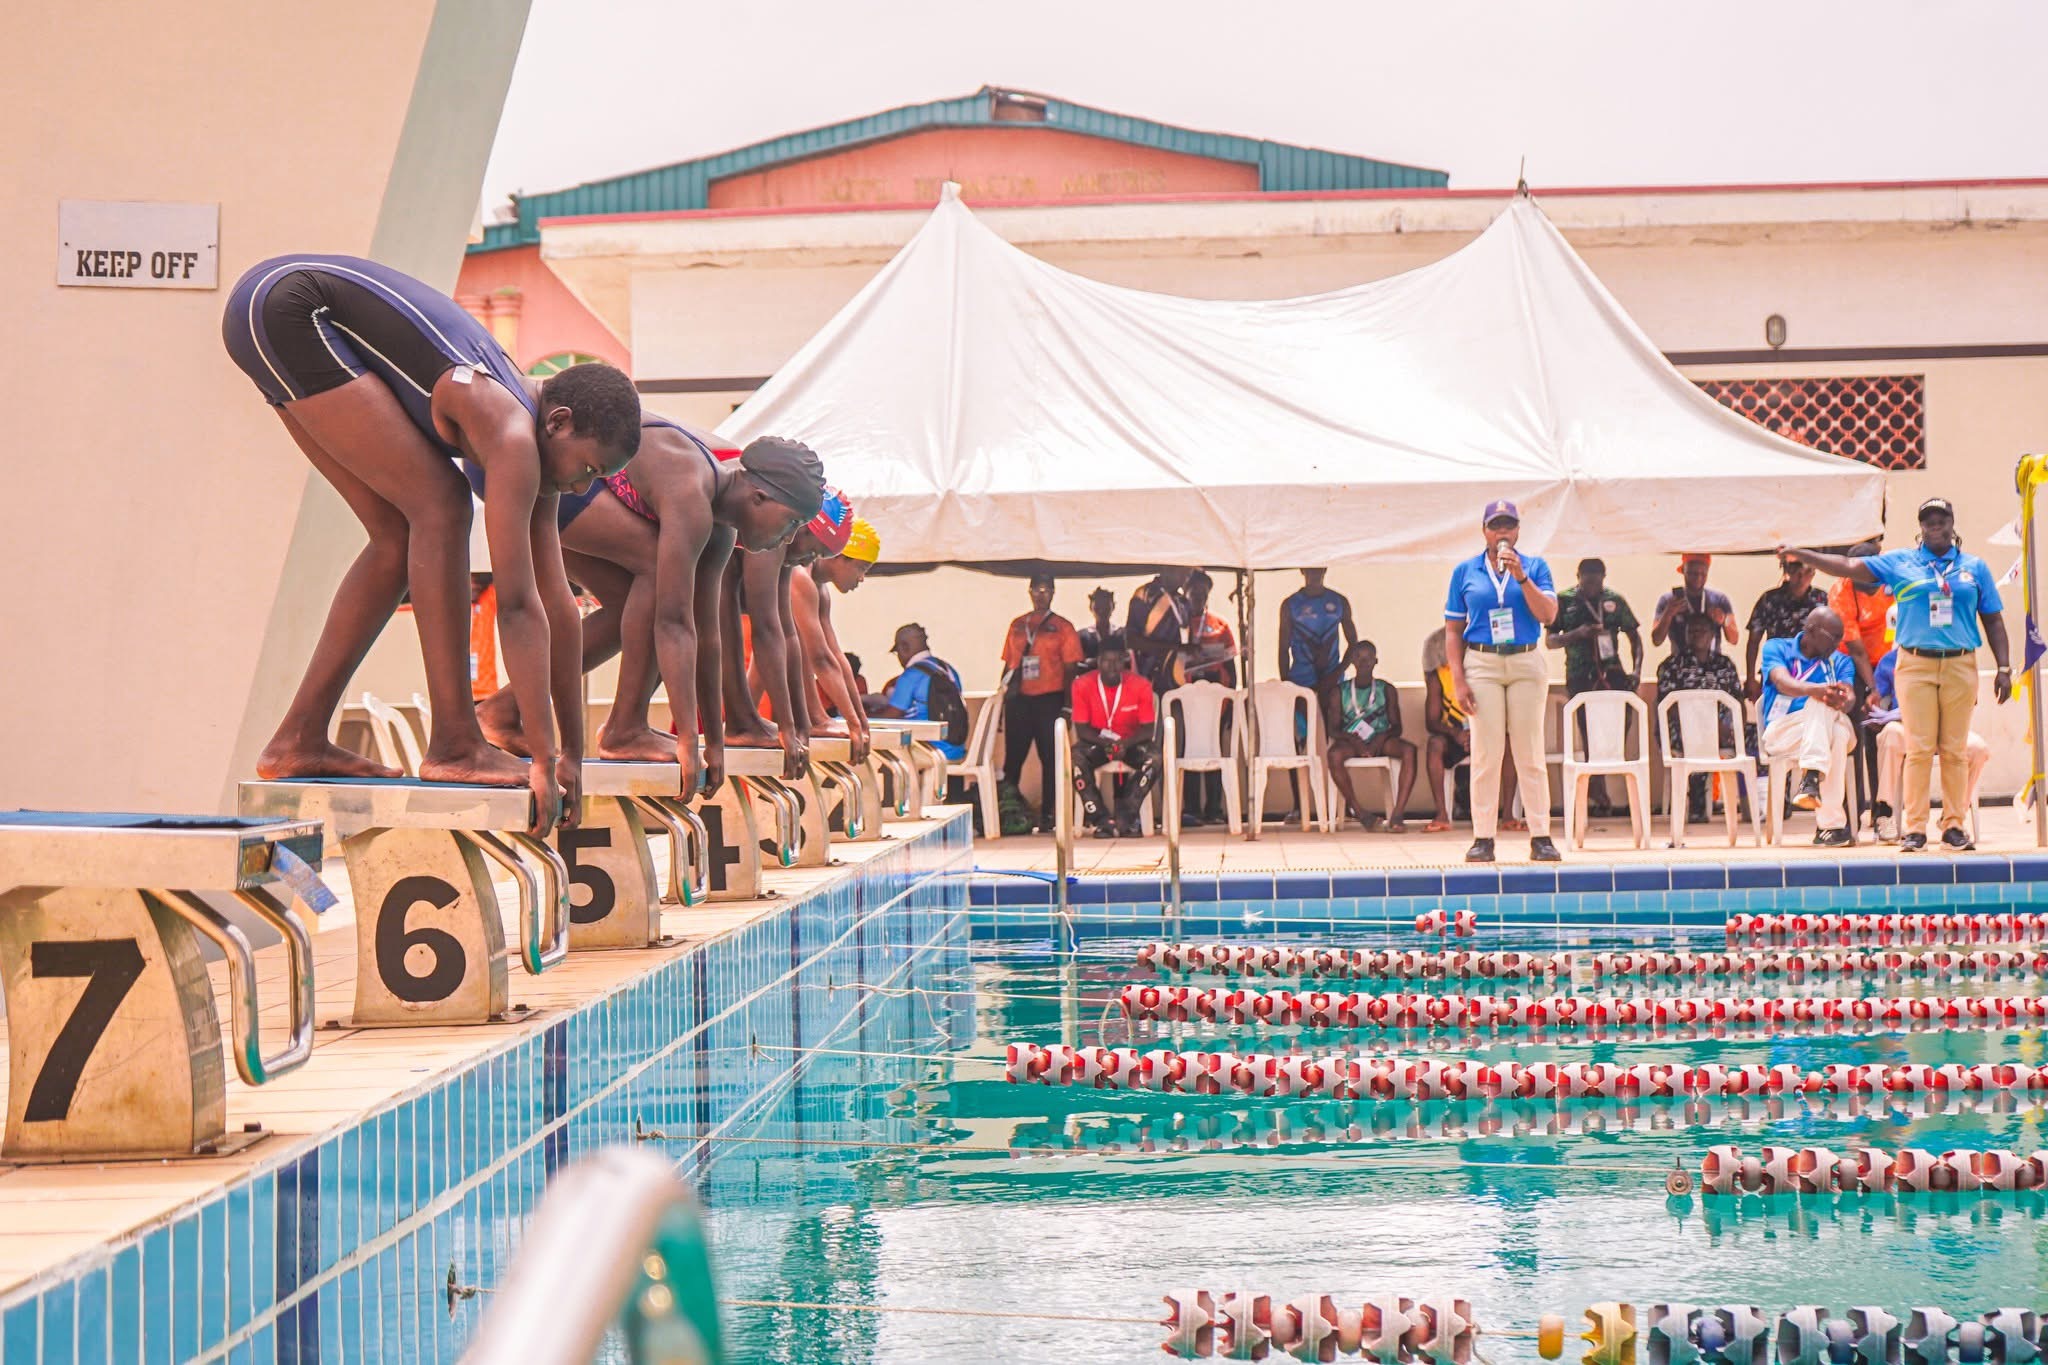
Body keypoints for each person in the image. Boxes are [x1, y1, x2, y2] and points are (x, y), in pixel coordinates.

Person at [222, 253, 643, 836]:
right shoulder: (514, 436)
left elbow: (558, 609)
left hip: (274, 314)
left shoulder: (537, 445)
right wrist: (542, 757)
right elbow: (516, 606)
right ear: (560, 422)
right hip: (293, 309)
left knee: (398, 536)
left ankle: (298, 737)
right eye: (589, 469)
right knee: (441, 504)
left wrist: (568, 754)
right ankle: (454, 742)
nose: (581, 488)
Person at [477, 422, 825, 797]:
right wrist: (689, 740)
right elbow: (673, 625)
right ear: (757, 497)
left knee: (633, 605)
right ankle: (624, 729)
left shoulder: (720, 530)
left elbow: (707, 638)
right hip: (533, 462)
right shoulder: (693, 491)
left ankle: (501, 712)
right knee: (657, 573)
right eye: (791, 522)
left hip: (564, 484)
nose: (789, 539)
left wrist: (713, 741)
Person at [1786, 497, 2011, 851]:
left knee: (1953, 749)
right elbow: (1847, 564)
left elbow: (1993, 619)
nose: (1935, 525)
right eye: (1928, 520)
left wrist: (2004, 667)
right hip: (1915, 663)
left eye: (1942, 518)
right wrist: (1807, 555)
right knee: (1919, 747)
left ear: (1952, 524)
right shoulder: (1901, 562)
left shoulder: (1974, 567)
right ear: (1920, 527)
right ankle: (1916, 828)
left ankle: (1953, 825)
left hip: (1960, 662)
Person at [1443, 500, 1560, 863]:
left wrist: (1521, 576)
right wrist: (1458, 681)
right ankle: (1483, 837)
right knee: (1486, 753)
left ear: (1518, 531)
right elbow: (1452, 630)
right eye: (1496, 526)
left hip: (1525, 660)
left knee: (1529, 751)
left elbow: (1549, 615)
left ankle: (1540, 835)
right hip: (1482, 662)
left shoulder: (1536, 567)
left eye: (1509, 526)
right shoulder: (1465, 571)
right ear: (1484, 531)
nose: (1502, 532)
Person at [727, 490, 855, 778]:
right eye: (861, 568)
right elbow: (780, 639)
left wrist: (802, 723)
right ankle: (738, 721)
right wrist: (792, 723)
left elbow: (792, 640)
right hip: (737, 681)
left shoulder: (790, 559)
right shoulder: (775, 548)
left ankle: (740, 720)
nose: (810, 559)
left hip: (750, 685)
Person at [1546, 558, 1643, 816]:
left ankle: (1607, 771)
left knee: (1623, 720)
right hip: (1580, 673)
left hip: (1612, 671)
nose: (1592, 586)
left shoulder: (1614, 600)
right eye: (1587, 581)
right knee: (1588, 727)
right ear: (1578, 577)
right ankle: (1597, 786)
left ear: (1604, 577)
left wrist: (1636, 671)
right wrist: (1577, 634)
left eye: (1597, 581)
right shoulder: (1564, 600)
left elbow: (1635, 638)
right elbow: (1551, 641)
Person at [1756, 606, 1858, 847]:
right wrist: (1816, 691)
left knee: (1829, 717)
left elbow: (1849, 694)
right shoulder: (1777, 647)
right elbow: (1781, 682)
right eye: (1833, 636)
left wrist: (1844, 700)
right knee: (1836, 732)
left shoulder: (1840, 661)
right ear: (1811, 630)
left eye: (1840, 637)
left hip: (1824, 727)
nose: (1838, 642)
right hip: (1783, 730)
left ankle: (1811, 777)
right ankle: (1830, 827)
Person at [1866, 648, 1989, 843]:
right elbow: (1877, 700)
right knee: (1890, 734)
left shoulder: (1956, 654)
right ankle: (1885, 811)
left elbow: (1969, 700)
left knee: (1978, 748)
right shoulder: (1890, 660)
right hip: (1909, 727)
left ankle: (1953, 816)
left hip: (1948, 729)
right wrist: (1876, 711)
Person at [998, 572, 1085, 834]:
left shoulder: (1062, 626)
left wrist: (1068, 706)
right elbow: (1008, 666)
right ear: (1030, 592)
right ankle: (1006, 812)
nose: (1041, 595)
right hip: (1020, 702)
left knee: (1052, 759)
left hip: (1051, 699)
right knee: (1013, 760)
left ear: (1053, 593)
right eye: (1037, 590)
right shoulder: (1017, 625)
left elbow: (1072, 670)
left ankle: (1050, 815)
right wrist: (1001, 704)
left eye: (1046, 590)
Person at [792, 518, 882, 766]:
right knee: (791, 642)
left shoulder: (819, 588)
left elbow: (834, 655)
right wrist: (850, 722)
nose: (862, 578)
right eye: (862, 568)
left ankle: (812, 715)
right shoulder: (799, 576)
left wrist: (860, 721)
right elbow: (817, 658)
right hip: (739, 648)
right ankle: (811, 715)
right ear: (839, 556)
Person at [1655, 613, 1753, 824]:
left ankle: (1752, 804)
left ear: (1712, 635)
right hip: (1683, 730)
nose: (1697, 635)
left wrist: (1736, 727)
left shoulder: (1725, 665)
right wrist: (1708, 727)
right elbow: (1667, 708)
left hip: (1723, 731)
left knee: (1755, 738)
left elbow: (1738, 702)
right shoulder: (1671, 665)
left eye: (1702, 630)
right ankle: (1697, 804)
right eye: (1692, 631)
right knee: (1696, 740)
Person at [1420, 626, 1518, 834]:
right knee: (1434, 745)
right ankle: (1441, 814)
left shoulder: (1489, 673)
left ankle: (1508, 814)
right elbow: (1431, 721)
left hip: (1486, 730)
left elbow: (1504, 711)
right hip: (1455, 735)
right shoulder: (1440, 676)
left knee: (1510, 744)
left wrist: (1480, 732)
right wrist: (1456, 734)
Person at [1069, 637, 1161, 838]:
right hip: (1098, 742)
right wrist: (1107, 744)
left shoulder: (1141, 685)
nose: (1111, 666)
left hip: (1131, 743)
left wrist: (1124, 744)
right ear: (1098, 661)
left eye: (1116, 661)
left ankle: (1126, 817)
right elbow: (1082, 730)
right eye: (1106, 661)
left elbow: (1147, 730)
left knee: (1154, 760)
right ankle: (1101, 821)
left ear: (1124, 661)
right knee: (1075, 759)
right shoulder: (1082, 685)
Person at [1324, 641, 1417, 830]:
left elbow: (1397, 727)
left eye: (1368, 658)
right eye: (1359, 657)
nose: (1364, 662)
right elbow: (1333, 730)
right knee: (1333, 755)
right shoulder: (1339, 692)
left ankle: (1397, 815)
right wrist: (1353, 740)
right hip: (1351, 741)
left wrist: (1380, 738)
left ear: (1376, 661)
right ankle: (1360, 813)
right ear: (1352, 661)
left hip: (1381, 740)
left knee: (1409, 750)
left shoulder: (1386, 689)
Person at [1175, 570, 1239, 826]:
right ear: (1186, 594)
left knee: (1214, 748)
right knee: (1188, 748)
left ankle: (1214, 807)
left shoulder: (1220, 624)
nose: (1197, 597)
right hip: (1186, 695)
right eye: (1193, 593)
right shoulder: (1177, 624)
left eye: (1202, 593)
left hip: (1215, 696)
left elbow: (1232, 668)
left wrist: (1232, 702)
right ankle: (1191, 808)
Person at [867, 624, 968, 761]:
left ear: (904, 647)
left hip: (929, 751)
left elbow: (891, 717)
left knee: (877, 757)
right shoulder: (948, 670)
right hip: (955, 749)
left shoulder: (911, 675)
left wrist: (864, 716)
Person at [1743, 554, 1830, 702]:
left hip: (1813, 671)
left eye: (1806, 573)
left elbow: (1833, 638)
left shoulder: (1822, 599)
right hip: (1777, 668)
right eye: (1796, 573)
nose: (1800, 578)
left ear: (1813, 573)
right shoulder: (1769, 600)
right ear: (1787, 571)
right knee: (1774, 719)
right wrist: (1751, 678)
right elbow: (1753, 641)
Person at [1278, 569, 1358, 703]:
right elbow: (1283, 648)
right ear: (1302, 570)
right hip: (1300, 679)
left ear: (1325, 568)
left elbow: (1354, 644)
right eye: (1310, 569)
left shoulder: (1339, 601)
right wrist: (1286, 684)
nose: (1314, 573)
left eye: (1318, 568)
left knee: (1332, 723)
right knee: (1303, 723)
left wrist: (1336, 674)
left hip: (1332, 679)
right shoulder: (1290, 604)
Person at [1650, 555, 1737, 661]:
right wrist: (1668, 613)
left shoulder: (1719, 600)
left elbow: (1734, 639)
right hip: (1680, 665)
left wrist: (1723, 620)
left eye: (1703, 574)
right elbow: (1656, 640)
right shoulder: (1667, 601)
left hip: (1712, 666)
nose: (1698, 578)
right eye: (1693, 573)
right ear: (1683, 571)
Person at [1126, 568, 1194, 690]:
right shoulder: (1145, 594)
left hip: (1178, 682)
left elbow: (1188, 642)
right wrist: (1174, 648)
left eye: (1188, 572)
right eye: (1182, 570)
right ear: (1167, 568)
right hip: (1148, 678)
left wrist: (1195, 651)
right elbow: (1132, 640)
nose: (1187, 575)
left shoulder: (1183, 602)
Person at [468, 573, 498, 700]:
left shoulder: (489, 598)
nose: (474, 585)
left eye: (477, 580)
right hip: (462, 693)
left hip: (487, 692)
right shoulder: (453, 603)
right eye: (470, 579)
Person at [1076, 588, 1118, 672]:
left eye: (1106, 606)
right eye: (1098, 607)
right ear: (1091, 608)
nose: (1102, 611)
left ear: (1113, 607)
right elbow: (1075, 664)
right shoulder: (1081, 636)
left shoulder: (1122, 634)